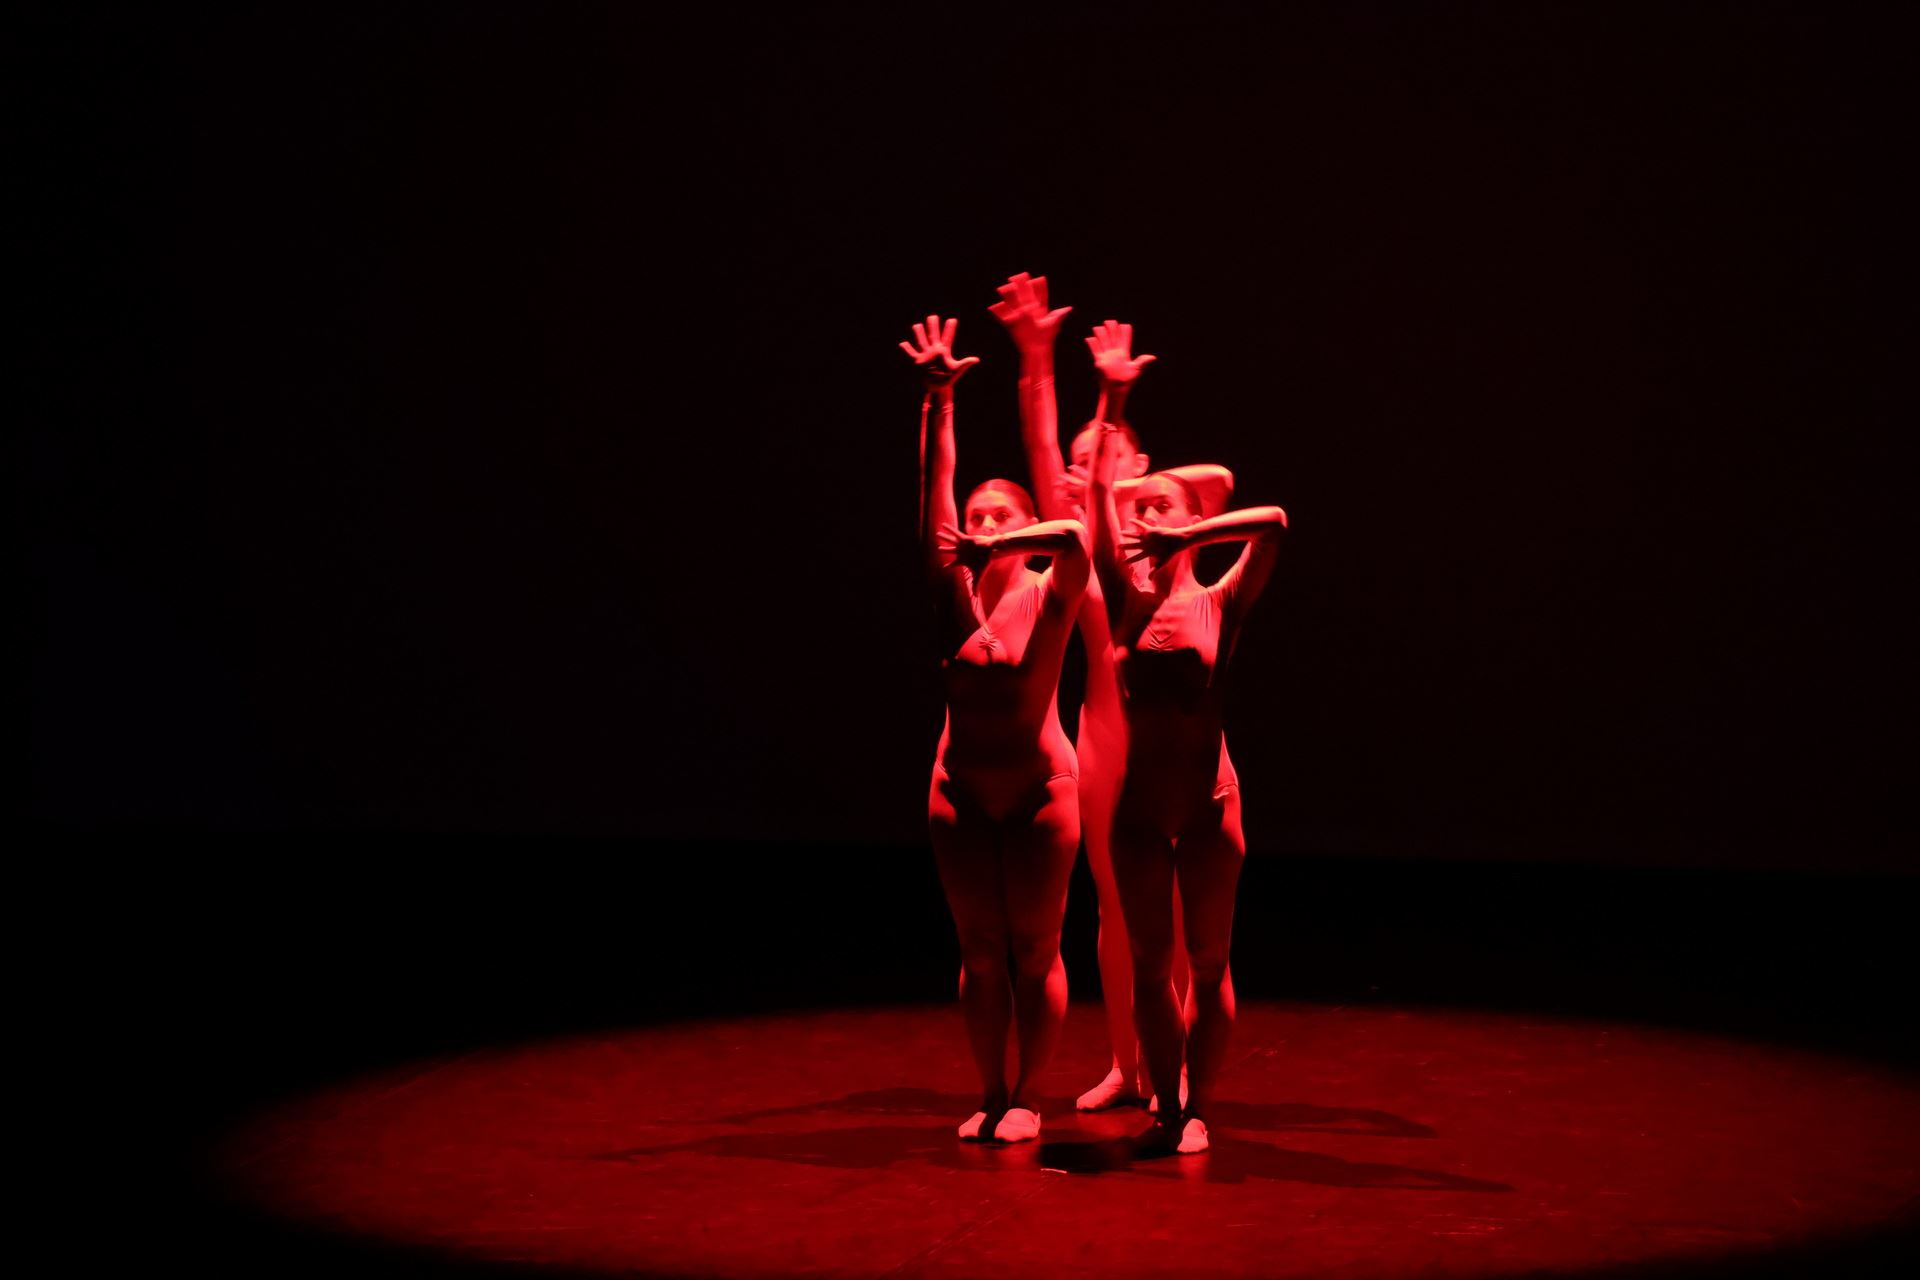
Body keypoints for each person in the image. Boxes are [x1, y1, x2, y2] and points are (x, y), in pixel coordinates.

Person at [989, 274, 1231, 1113]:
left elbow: (1219, 476)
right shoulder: (1085, 557)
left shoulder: (1174, 535)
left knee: (1181, 915)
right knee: (1117, 913)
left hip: (1173, 749)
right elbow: (1042, 453)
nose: (1079, 469)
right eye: (1078, 461)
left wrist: (1114, 458)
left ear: (1138, 467)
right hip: (1100, 745)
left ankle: (1183, 1068)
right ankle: (1129, 1064)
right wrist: (1035, 358)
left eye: (1100, 457)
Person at [1083, 319, 1288, 1153]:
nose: (1145, 517)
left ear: (1195, 518)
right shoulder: (1123, 596)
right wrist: (1112, 396)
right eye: (1141, 510)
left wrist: (1190, 535)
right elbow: (1096, 502)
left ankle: (1198, 1106)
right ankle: (1165, 1106)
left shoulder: (1220, 600)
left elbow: (1275, 523)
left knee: (1208, 960)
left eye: (1160, 506)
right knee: (1150, 965)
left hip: (1208, 804)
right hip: (1139, 809)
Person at [903, 314, 1091, 1143]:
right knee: (980, 949)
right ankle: (990, 1090)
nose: (982, 528)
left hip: (1041, 789)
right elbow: (932, 495)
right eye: (977, 519)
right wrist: (938, 401)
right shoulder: (949, 591)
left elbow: (1077, 535)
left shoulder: (1050, 593)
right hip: (960, 787)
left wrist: (1013, 539)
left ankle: (1030, 1094)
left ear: (1023, 529)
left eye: (999, 517)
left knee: (1035, 947)